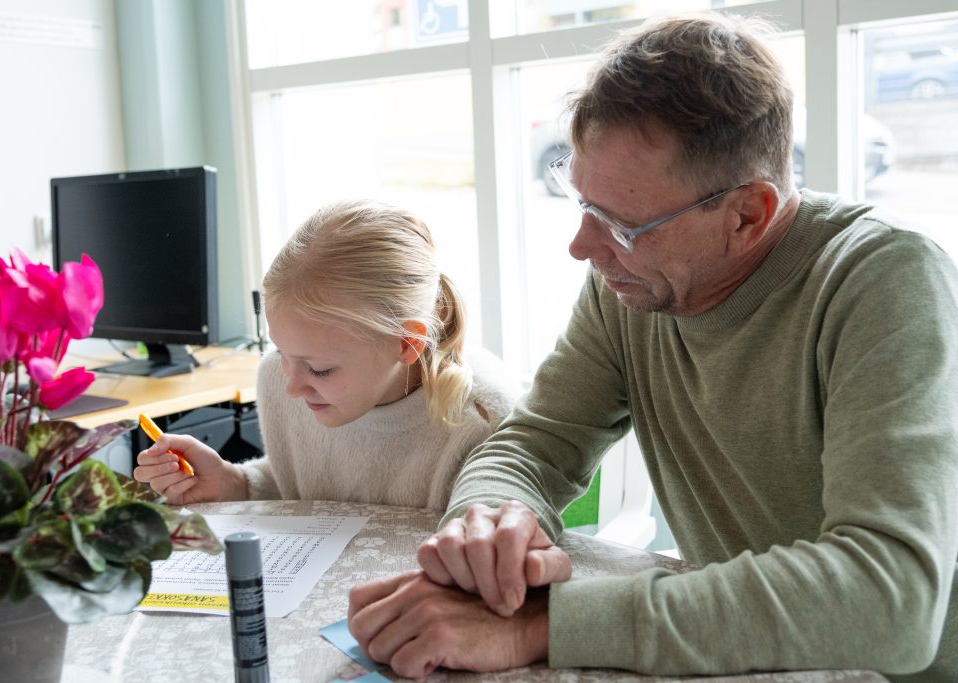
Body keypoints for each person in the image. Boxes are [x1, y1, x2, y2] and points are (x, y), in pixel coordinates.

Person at [347, 12, 958, 682]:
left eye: (621, 223)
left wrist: (547, 624)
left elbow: (890, 599)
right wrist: (489, 524)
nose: (582, 246)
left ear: (748, 214)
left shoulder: (884, 280)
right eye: (579, 200)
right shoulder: (632, 284)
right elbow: (535, 443)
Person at [134, 199, 518, 511]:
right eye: (281, 351)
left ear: (406, 343)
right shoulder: (276, 377)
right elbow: (306, 489)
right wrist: (234, 484)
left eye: (320, 370)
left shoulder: (483, 421)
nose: (291, 387)